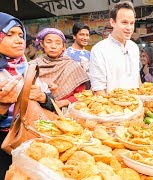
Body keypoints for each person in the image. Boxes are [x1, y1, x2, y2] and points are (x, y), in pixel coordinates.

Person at [0, 12, 54, 179]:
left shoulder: (28, 67)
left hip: (30, 139)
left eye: (20, 35)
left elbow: (51, 106)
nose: (19, 40)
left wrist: (43, 97)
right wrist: (2, 108)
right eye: (10, 35)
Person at [89, 1, 140, 96]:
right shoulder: (99, 50)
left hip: (136, 107)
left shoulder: (134, 47)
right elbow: (98, 90)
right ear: (112, 22)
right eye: (124, 22)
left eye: (132, 23)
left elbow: (136, 79)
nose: (129, 27)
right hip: (113, 108)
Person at [30, 28, 90, 108]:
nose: (53, 46)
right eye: (49, 42)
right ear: (42, 44)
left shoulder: (72, 66)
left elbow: (84, 94)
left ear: (63, 47)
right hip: (37, 112)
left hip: (66, 114)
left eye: (58, 43)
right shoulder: (32, 66)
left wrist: (64, 102)